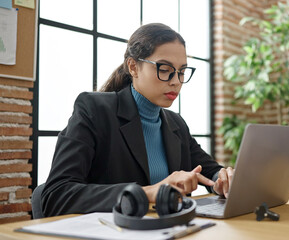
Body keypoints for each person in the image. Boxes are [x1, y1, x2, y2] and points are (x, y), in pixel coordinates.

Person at [41, 23, 234, 217]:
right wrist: (148, 192)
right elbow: (56, 195)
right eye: (165, 69)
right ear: (133, 67)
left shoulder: (176, 124)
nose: (176, 81)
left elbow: (209, 170)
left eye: (182, 71)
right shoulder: (94, 110)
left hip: (166, 231)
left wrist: (221, 178)